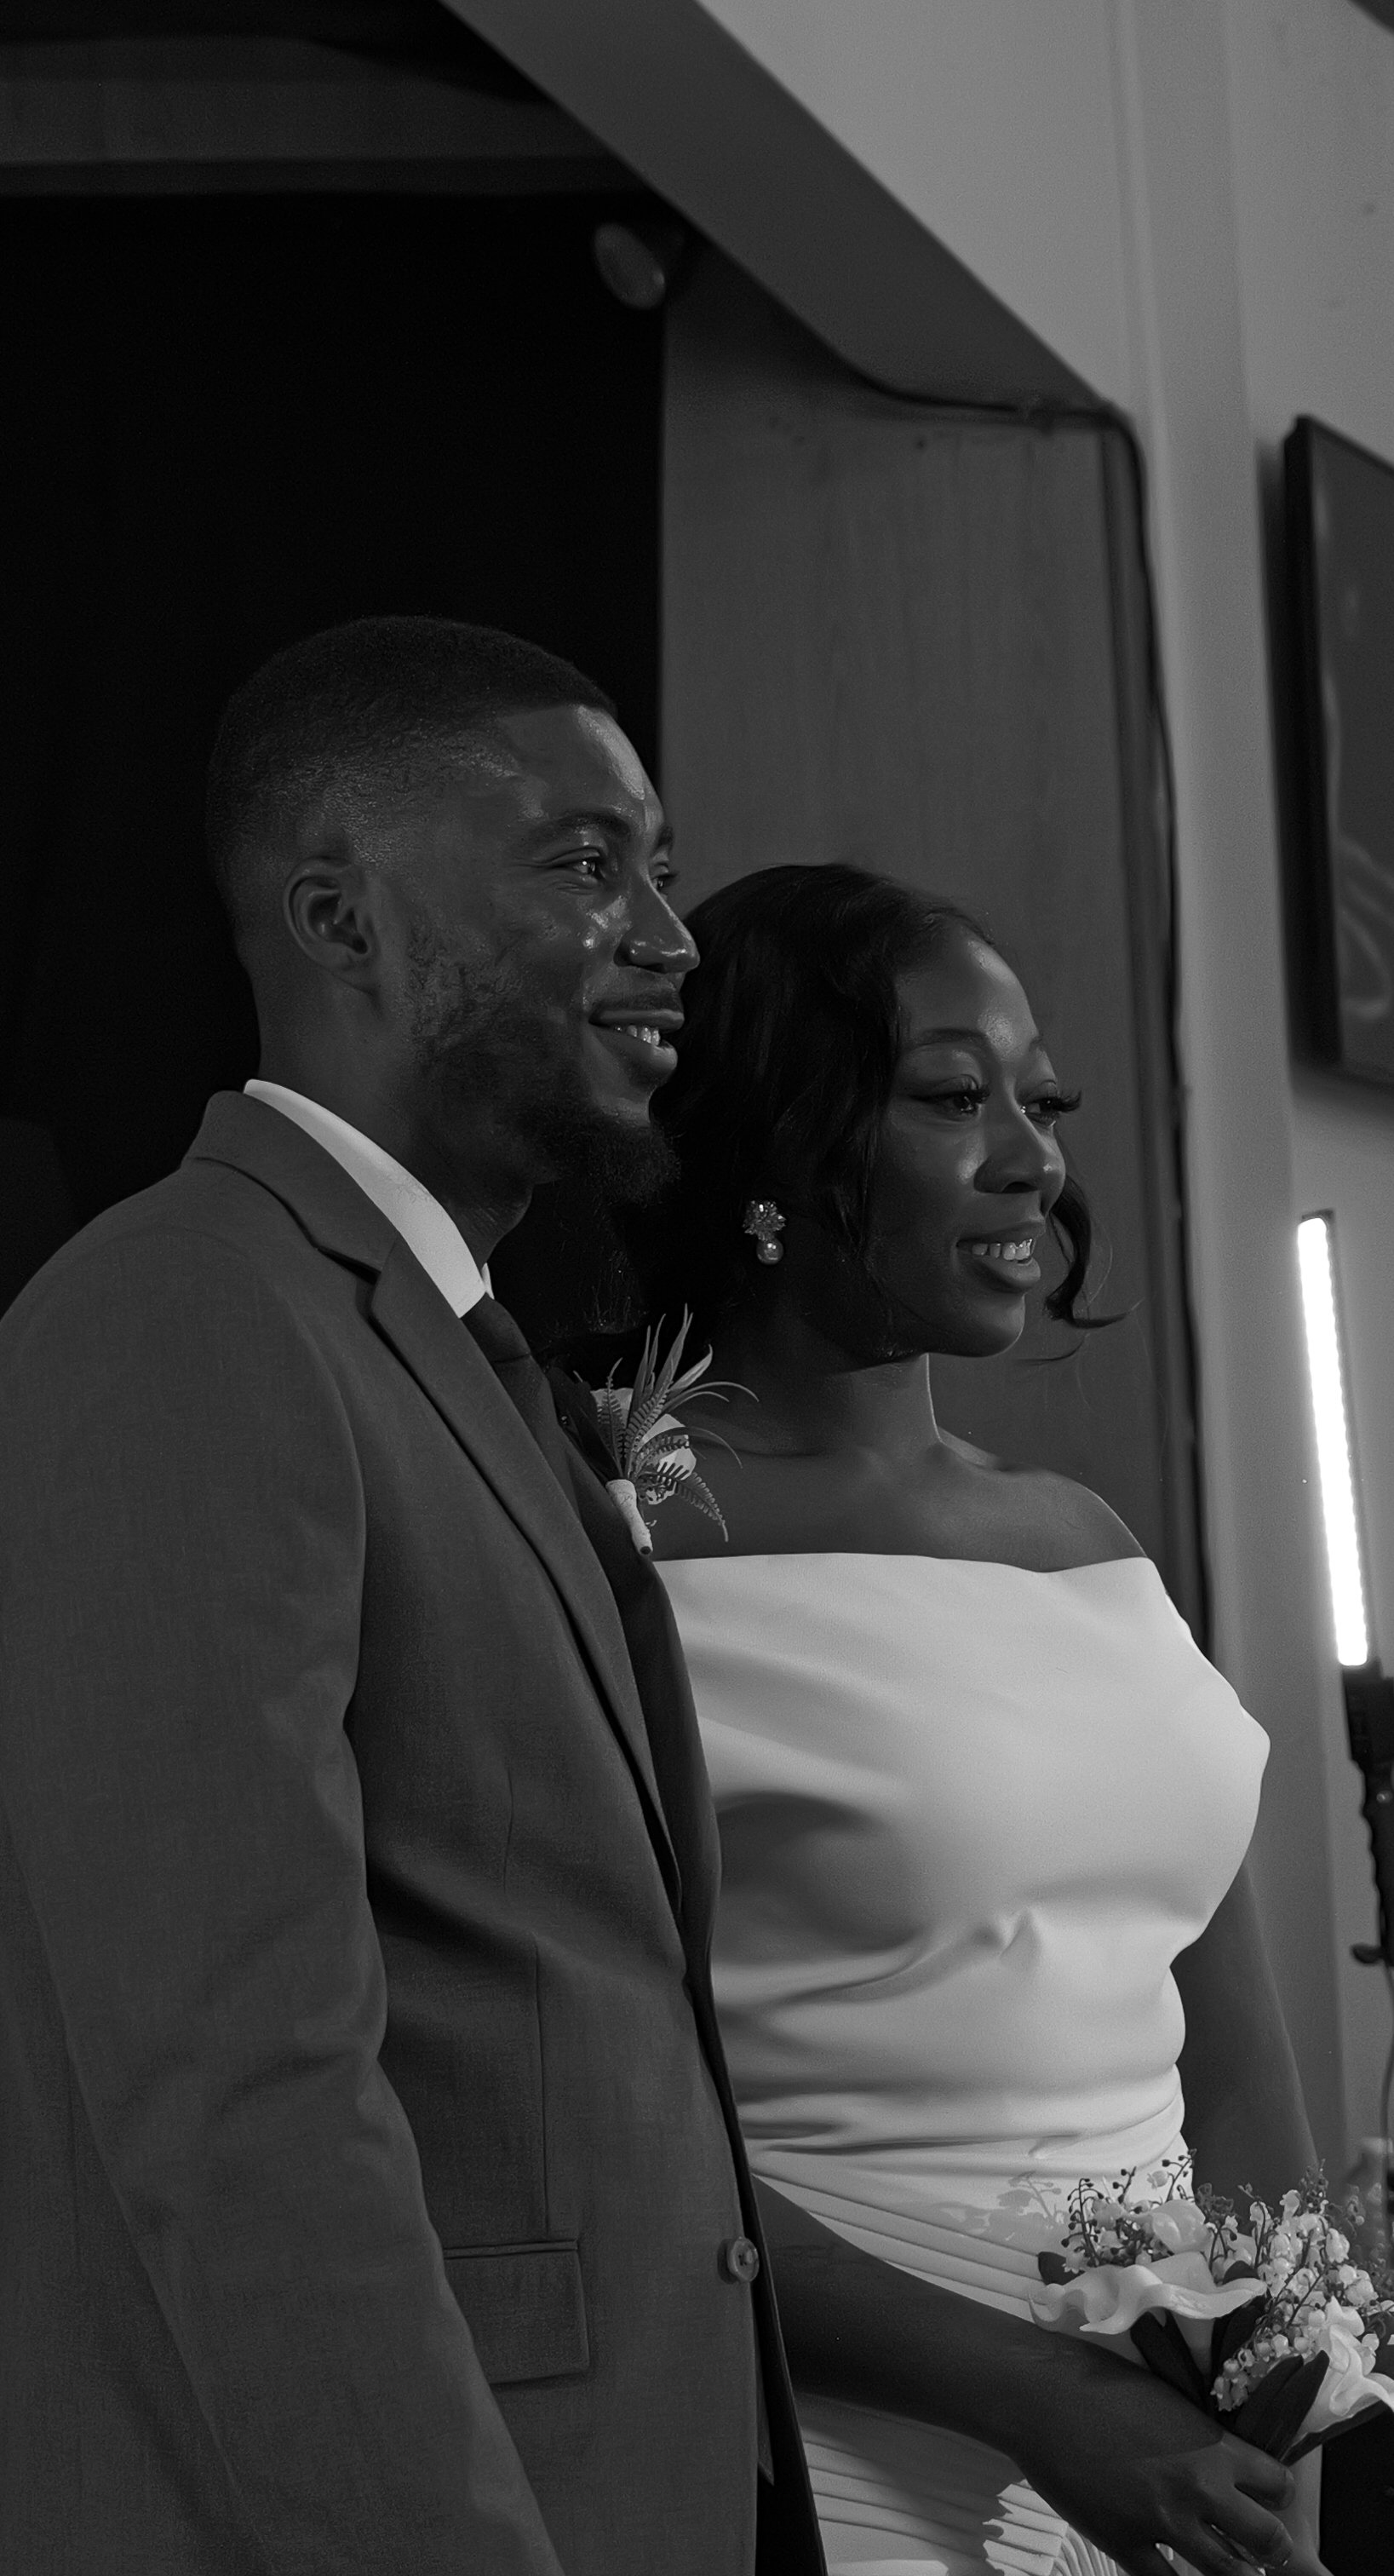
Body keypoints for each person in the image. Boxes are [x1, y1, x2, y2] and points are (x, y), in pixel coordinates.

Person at [0, 620, 824, 2576]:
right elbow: (242, 2105)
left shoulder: (446, 1344)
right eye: (585, 865)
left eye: (656, 862)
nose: (672, 935)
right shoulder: (182, 1323)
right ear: (341, 920)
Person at [623, 863, 1324, 2576]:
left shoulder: (1082, 1541)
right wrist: (1037, 2403)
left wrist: (1278, 2391)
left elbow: (1222, 2056)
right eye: (952, 1098)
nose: (1032, 1157)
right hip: (839, 2451)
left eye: (1041, 1100)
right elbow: (605, 2123)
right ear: (777, 1150)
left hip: (1174, 2437)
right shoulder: (621, 1545)